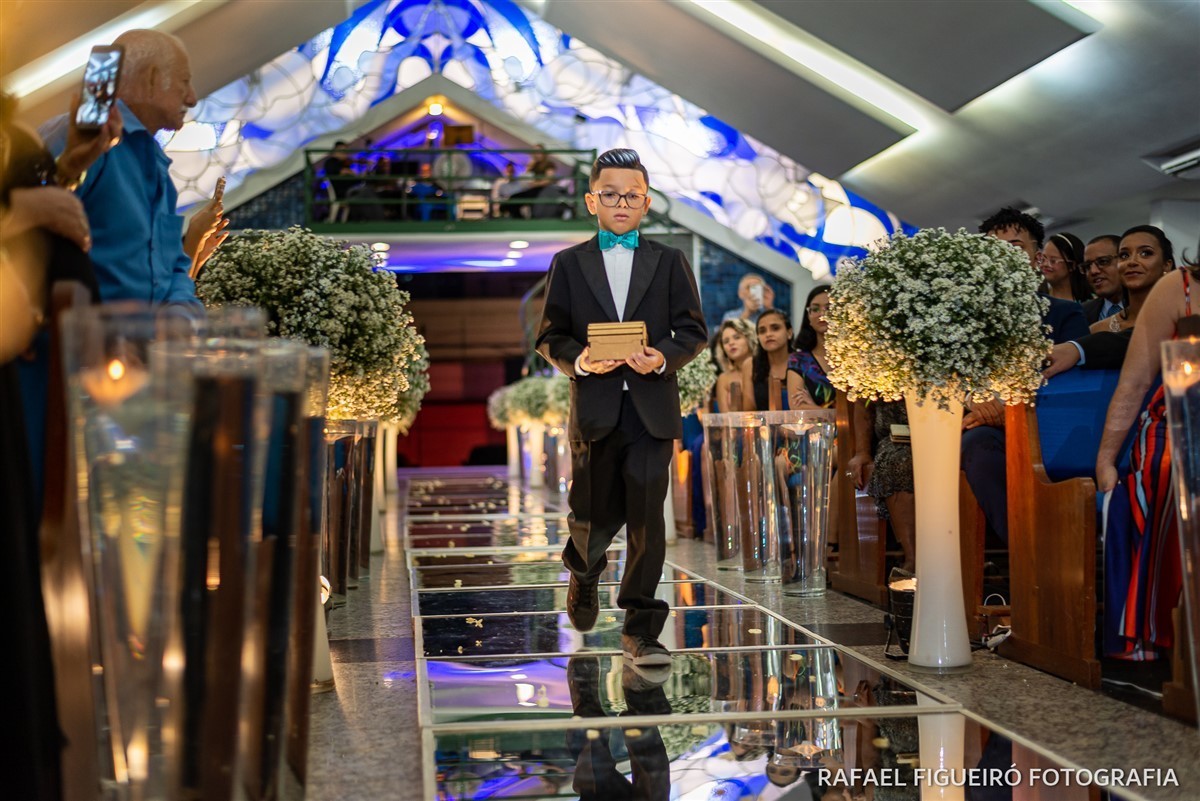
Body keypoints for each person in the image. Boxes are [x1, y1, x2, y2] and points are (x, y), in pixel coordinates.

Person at [536, 148, 707, 667]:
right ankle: (583, 570)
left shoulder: (670, 260)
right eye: (610, 194)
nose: (621, 203)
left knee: (646, 520)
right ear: (592, 200)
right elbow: (549, 337)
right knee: (589, 515)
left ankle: (640, 626)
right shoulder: (568, 263)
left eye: (632, 195)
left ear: (646, 201)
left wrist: (662, 357)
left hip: (651, 408)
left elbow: (693, 332)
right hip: (595, 407)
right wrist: (581, 361)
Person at [40, 29, 213, 308]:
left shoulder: (157, 164)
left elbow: (172, 268)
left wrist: (182, 312)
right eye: (184, 82)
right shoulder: (76, 137)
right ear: (152, 78)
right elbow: (25, 225)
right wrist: (71, 165)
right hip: (80, 342)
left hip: (145, 346)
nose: (192, 98)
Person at [959, 207, 1089, 543]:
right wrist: (975, 400)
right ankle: (1023, 548)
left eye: (1016, 246)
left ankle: (1035, 550)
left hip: (1043, 424)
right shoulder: (961, 317)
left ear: (1036, 258)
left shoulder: (1064, 313)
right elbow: (951, 374)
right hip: (979, 424)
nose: (1004, 256)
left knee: (983, 444)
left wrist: (1010, 407)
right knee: (971, 443)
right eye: (994, 249)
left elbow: (1067, 380)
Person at [1095, 231, 1190, 661]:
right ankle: (1167, 630)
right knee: (1172, 472)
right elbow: (1134, 381)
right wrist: (1106, 458)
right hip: (1181, 424)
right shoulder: (1180, 287)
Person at [786, 285, 835, 409]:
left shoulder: (855, 359)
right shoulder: (799, 360)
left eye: (829, 308)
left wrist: (816, 409)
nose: (822, 314)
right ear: (808, 317)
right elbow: (798, 407)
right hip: (815, 428)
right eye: (815, 309)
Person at [740, 308, 792, 411]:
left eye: (775, 328)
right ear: (758, 337)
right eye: (762, 331)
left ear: (789, 333)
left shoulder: (802, 361)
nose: (768, 334)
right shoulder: (750, 365)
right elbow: (749, 411)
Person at [711, 317, 756, 412]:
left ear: (749, 338)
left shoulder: (765, 369)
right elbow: (725, 422)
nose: (731, 343)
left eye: (737, 337)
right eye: (726, 341)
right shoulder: (724, 379)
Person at [1080, 234, 1124, 324]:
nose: (1093, 271)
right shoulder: (1081, 313)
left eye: (1103, 261)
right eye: (1087, 266)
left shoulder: (1149, 306)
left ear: (1124, 260)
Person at [1038, 231, 1092, 303]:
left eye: (1053, 261)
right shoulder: (1038, 300)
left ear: (1072, 265)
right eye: (1043, 259)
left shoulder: (1090, 305)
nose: (1045, 264)